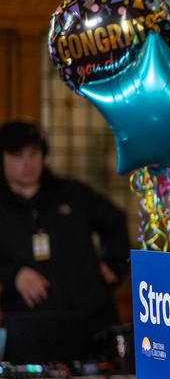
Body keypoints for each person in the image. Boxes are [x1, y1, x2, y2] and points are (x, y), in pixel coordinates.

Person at [0, 120, 130, 362]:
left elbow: (115, 221)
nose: (27, 163)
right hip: (28, 325)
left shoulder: (71, 193)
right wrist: (13, 274)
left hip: (90, 320)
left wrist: (115, 265)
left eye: (33, 154)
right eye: (17, 156)